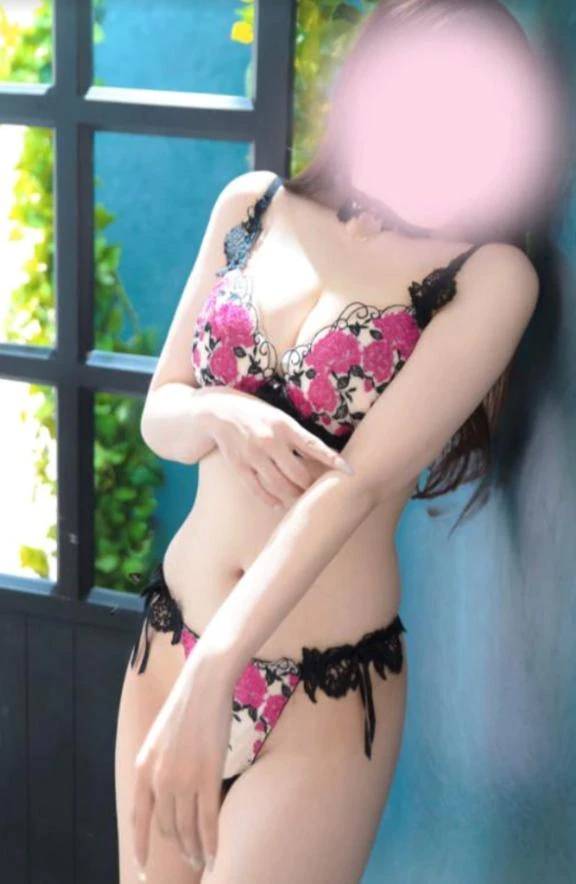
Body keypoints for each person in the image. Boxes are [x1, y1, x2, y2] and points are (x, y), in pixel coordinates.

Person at [114, 2, 564, 881]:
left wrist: (220, 671)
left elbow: (354, 483)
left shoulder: (490, 276)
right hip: (170, 646)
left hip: (317, 695)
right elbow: (161, 414)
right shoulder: (253, 205)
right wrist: (221, 415)